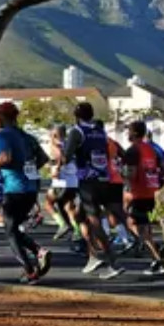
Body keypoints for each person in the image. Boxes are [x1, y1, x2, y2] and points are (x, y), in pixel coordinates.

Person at [0, 102, 51, 284]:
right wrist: (28, 170)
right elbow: (43, 158)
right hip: (30, 189)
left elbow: (4, 159)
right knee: (13, 228)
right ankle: (39, 252)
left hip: (14, 188)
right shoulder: (26, 136)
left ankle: (30, 269)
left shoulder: (4, 134)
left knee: (10, 231)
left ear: (3, 117)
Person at [63, 102, 124, 279]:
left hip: (88, 181)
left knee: (94, 220)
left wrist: (63, 160)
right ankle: (94, 255)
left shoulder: (77, 131)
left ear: (76, 116)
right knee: (79, 217)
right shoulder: (100, 131)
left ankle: (112, 261)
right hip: (104, 178)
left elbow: (66, 156)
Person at [121, 121, 164, 276]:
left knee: (136, 225)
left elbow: (131, 174)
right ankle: (157, 252)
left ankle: (159, 259)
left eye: (128, 131)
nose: (127, 134)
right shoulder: (151, 149)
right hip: (153, 192)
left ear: (133, 134)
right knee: (144, 224)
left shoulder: (132, 151)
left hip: (139, 193)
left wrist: (121, 177)